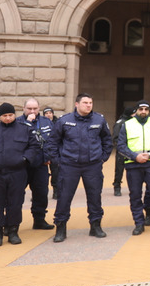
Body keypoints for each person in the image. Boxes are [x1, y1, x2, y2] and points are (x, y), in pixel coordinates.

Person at [46, 93, 114, 243]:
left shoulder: (99, 120)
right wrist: (58, 161)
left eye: (90, 102)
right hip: (70, 165)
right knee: (64, 197)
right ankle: (61, 228)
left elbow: (107, 140)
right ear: (77, 104)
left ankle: (95, 226)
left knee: (95, 196)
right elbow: (52, 142)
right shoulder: (64, 121)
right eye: (85, 103)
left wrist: (102, 158)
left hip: (92, 166)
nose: (88, 105)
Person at [116, 100, 150, 235]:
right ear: (136, 111)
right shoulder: (127, 125)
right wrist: (135, 156)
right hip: (133, 164)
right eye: (141, 109)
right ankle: (139, 224)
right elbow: (120, 145)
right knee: (135, 195)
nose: (144, 112)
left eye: (146, 109)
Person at [0, 103, 42, 247]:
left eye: (10, 115)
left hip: (17, 173)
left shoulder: (25, 129)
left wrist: (25, 159)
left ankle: (13, 231)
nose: (8, 118)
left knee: (15, 203)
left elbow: (34, 147)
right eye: (4, 116)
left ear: (15, 115)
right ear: (0, 116)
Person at [15, 98, 55, 231]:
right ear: (24, 109)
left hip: (41, 165)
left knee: (41, 193)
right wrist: (28, 123)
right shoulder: (18, 122)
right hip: (22, 166)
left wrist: (49, 157)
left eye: (35, 109)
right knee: (17, 194)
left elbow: (53, 141)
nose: (32, 111)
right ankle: (12, 223)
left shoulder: (46, 122)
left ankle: (39, 220)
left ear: (39, 109)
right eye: (29, 109)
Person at [112, 107, 135, 197]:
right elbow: (115, 138)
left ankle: (133, 188)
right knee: (119, 170)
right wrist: (121, 148)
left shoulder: (133, 123)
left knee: (133, 170)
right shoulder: (120, 123)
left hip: (132, 150)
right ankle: (117, 186)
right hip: (122, 151)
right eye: (134, 114)